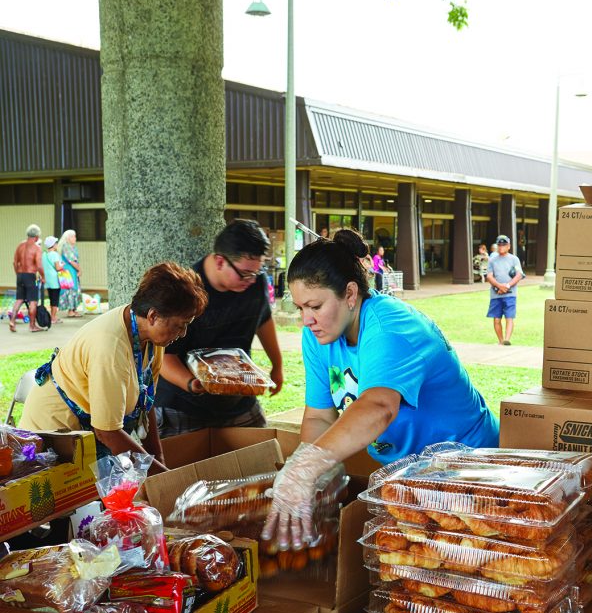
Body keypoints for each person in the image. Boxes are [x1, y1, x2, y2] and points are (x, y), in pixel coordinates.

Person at [262, 228, 499, 547]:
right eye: (300, 307)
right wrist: (313, 477)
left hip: (468, 469)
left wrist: (305, 468)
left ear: (349, 294)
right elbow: (319, 417)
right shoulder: (318, 337)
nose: (306, 319)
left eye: (315, 306)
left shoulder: (391, 326)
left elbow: (379, 407)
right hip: (410, 477)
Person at [20, 262, 207, 471]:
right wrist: (162, 476)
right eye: (179, 326)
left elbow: (147, 401)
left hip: (92, 431)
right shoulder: (110, 346)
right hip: (56, 434)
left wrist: (159, 459)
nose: (182, 334)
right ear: (154, 316)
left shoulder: (152, 337)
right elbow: (107, 431)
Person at [155, 218, 284, 437]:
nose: (251, 280)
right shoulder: (186, 291)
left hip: (237, 397)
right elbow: (164, 356)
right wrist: (192, 383)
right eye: (245, 273)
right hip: (183, 404)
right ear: (219, 261)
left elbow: (264, 320)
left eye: (257, 272)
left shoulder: (255, 282)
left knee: (261, 458)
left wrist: (277, 365)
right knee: (188, 468)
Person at [486, 234, 524, 346]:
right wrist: (499, 286)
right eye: (499, 245)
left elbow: (519, 275)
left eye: (504, 244)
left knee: (509, 317)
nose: (501, 246)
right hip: (495, 294)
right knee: (496, 319)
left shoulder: (514, 259)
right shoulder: (492, 260)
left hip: (510, 294)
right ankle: (500, 340)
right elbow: (489, 276)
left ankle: (507, 339)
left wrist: (507, 286)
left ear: (509, 246)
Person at [9, 224, 45, 333]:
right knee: (33, 301)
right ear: (37, 237)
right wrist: (43, 276)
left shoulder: (20, 245)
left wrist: (18, 274)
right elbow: (38, 265)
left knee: (19, 299)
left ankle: (12, 321)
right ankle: (32, 326)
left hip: (20, 275)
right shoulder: (36, 248)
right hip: (30, 275)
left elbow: (15, 262)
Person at [57, 229, 82, 317]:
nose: (75, 238)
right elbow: (71, 261)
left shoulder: (72, 247)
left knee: (75, 289)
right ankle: (70, 310)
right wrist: (79, 269)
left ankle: (74, 309)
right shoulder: (66, 247)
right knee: (70, 289)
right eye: (73, 236)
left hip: (72, 271)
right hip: (68, 271)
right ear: (68, 238)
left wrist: (78, 269)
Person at [42, 235, 64, 324]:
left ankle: (52, 317)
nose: (57, 244)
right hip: (55, 280)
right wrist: (62, 265)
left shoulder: (44, 255)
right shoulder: (55, 254)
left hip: (47, 280)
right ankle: (53, 318)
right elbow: (58, 268)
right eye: (56, 243)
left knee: (51, 298)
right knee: (55, 300)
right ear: (53, 245)